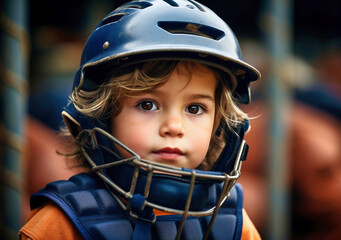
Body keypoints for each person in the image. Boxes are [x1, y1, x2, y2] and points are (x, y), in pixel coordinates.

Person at [19, 0, 261, 239]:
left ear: (221, 124)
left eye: (195, 108)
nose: (174, 127)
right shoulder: (61, 223)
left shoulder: (233, 224)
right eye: (148, 105)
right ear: (99, 118)